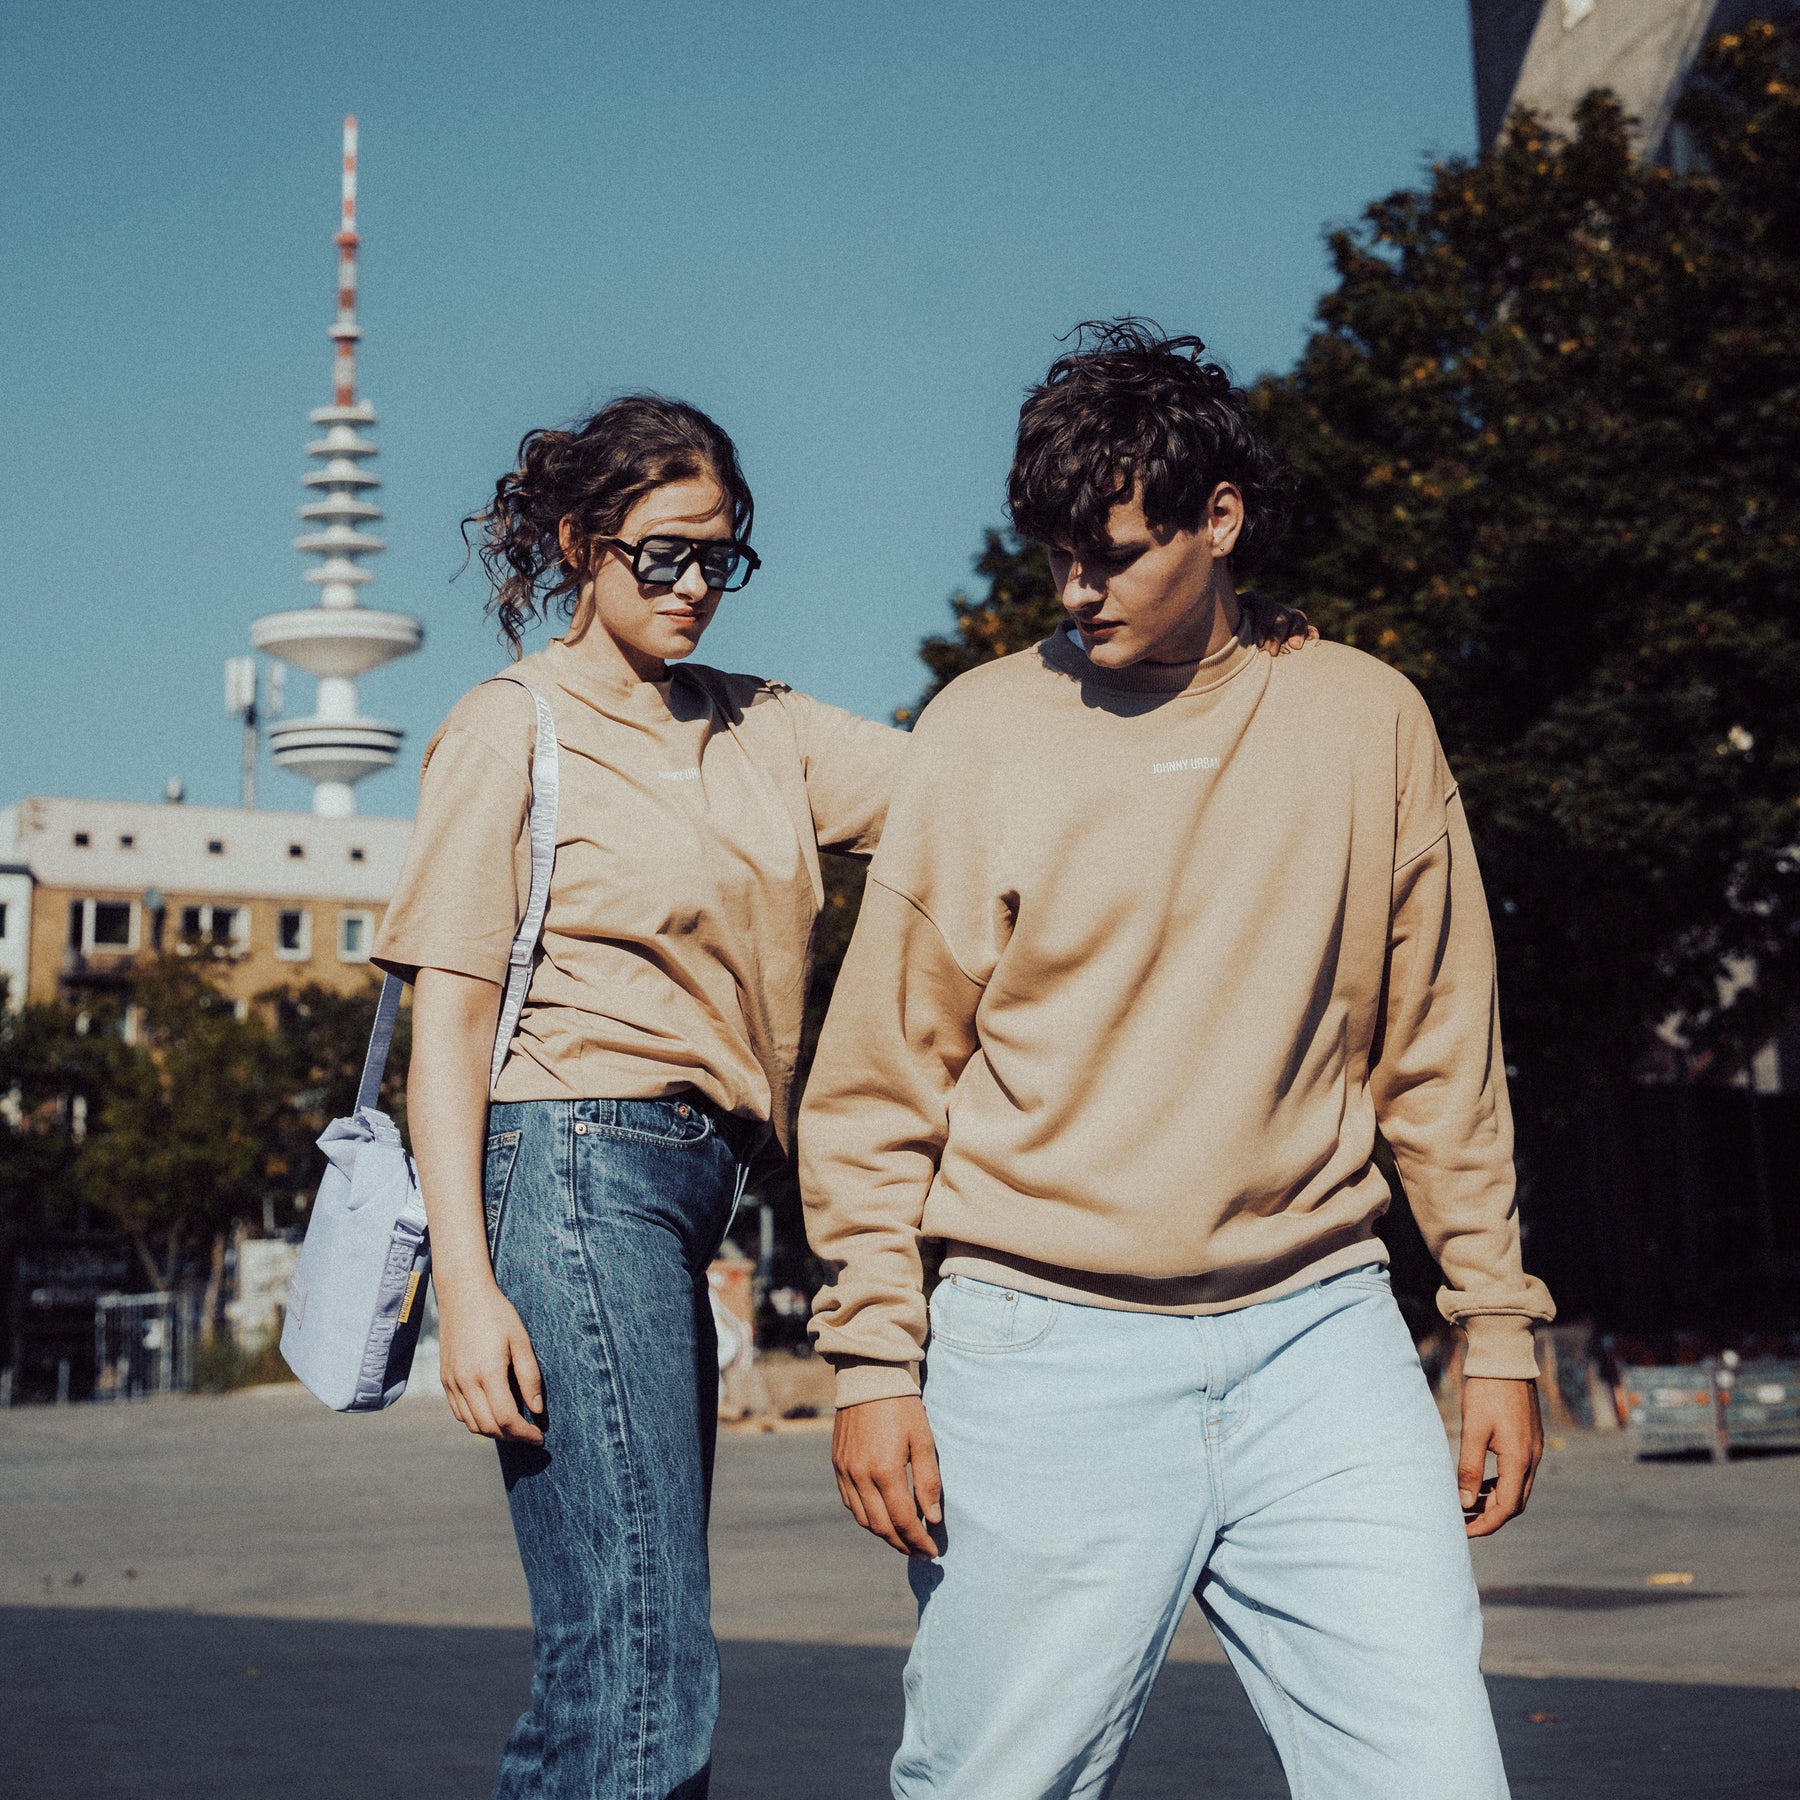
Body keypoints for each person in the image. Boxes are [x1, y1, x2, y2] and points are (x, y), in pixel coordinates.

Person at [800, 320, 1554, 1800]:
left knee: (1436, 1778)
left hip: (1322, 1335)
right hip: (1040, 1347)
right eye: (1055, 557)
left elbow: (1441, 1059)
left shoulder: (1367, 720)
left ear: (1221, 519)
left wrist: (1497, 1322)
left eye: (1113, 554)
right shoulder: (982, 733)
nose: (1076, 592)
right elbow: (881, 1083)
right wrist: (875, 1359)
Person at [370, 395, 903, 1800]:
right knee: (637, 1654)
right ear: (578, 545)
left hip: (694, 1182)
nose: (692, 587)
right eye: (660, 555)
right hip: (571, 1165)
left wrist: (1202, 646)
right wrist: (466, 1288)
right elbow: (451, 1028)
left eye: (720, 558)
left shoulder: (762, 726)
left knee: (629, 1652)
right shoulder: (512, 728)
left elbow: (974, 786)